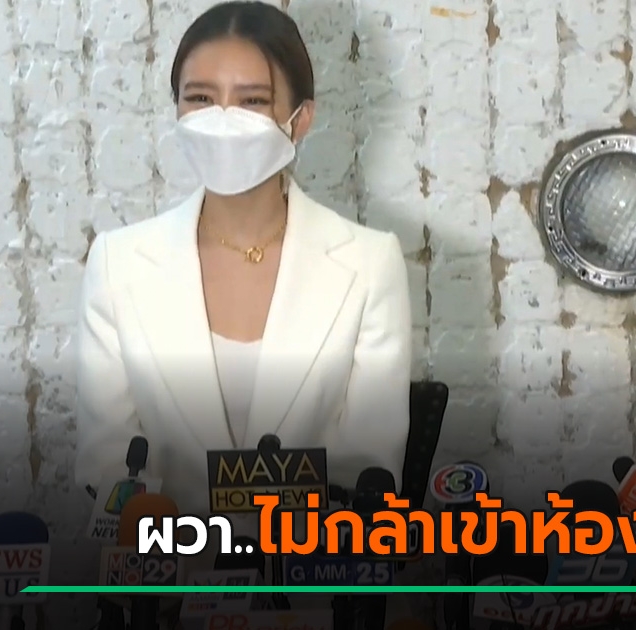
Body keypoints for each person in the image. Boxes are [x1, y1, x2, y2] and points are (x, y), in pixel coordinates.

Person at [74, 1, 412, 515]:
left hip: (311, 560)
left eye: (252, 100)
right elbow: (108, 467)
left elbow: (369, 467)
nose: (223, 120)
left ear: (301, 119)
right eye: (201, 98)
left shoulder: (369, 264)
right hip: (164, 561)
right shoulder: (117, 264)